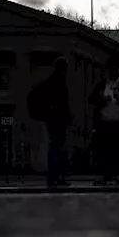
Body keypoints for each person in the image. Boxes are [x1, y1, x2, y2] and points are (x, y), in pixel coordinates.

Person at [27, 58, 73, 189]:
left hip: (52, 118)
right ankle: (55, 177)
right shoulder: (57, 81)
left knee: (55, 147)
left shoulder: (51, 81)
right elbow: (62, 103)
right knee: (57, 147)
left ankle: (55, 177)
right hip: (57, 119)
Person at [90, 59, 119, 185]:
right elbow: (91, 99)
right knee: (104, 150)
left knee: (117, 149)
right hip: (104, 122)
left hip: (118, 122)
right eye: (111, 69)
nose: (113, 72)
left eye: (115, 69)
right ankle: (106, 175)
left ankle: (118, 174)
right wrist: (101, 98)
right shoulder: (102, 84)